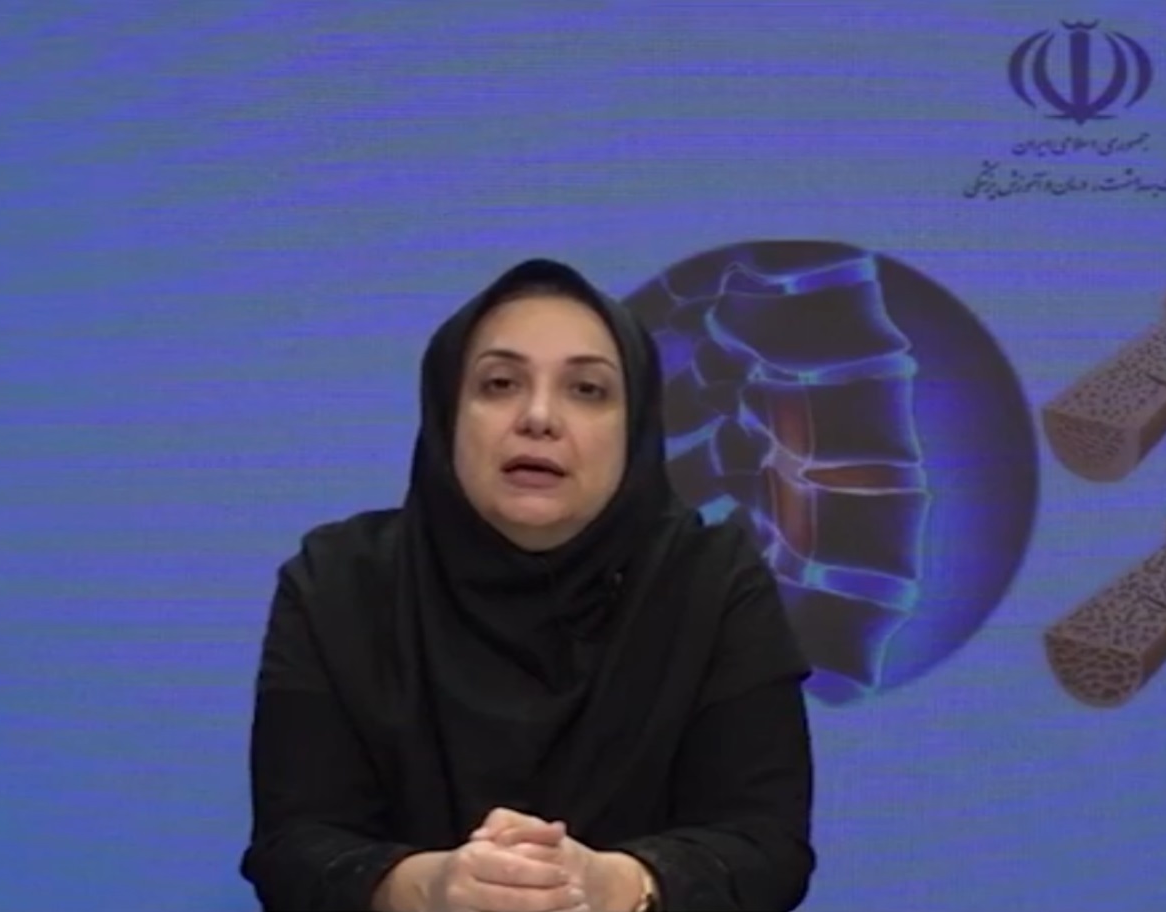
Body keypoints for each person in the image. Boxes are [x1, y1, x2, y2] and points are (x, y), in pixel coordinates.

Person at [238, 258, 817, 912]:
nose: (539, 417)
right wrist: (433, 888)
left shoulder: (712, 582)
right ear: (447, 413)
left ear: (635, 428)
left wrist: (610, 883)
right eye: (501, 383)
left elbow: (766, 847)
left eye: (587, 390)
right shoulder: (339, 582)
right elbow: (293, 848)